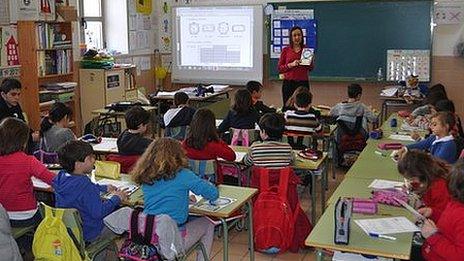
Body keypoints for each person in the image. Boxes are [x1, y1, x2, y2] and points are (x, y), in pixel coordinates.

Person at [131, 138, 219, 261]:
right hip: (172, 242)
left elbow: (163, 195)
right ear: (178, 155)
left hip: (148, 237)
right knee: (208, 222)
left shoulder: (146, 174)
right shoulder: (183, 174)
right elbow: (213, 194)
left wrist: (182, 197)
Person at [53, 140, 128, 243]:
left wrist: (103, 188)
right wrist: (117, 198)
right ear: (78, 163)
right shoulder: (84, 184)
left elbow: (78, 190)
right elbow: (99, 212)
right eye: (90, 158)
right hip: (92, 233)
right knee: (127, 213)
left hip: (71, 232)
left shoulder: (61, 177)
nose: (94, 160)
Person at [0, 117, 55, 227]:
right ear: (23, 141)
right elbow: (53, 179)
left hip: (3, 216)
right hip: (27, 214)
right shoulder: (28, 160)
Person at [418, 159, 464, 261]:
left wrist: (433, 237)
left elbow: (460, 256)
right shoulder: (455, 202)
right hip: (430, 251)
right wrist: (432, 212)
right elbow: (449, 222)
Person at [397, 150, 451, 223]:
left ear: (423, 175)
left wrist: (431, 212)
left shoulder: (440, 189)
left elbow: (446, 217)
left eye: (412, 181)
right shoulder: (429, 180)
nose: (410, 183)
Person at [278, 26, 314, 106]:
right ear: (291, 37)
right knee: (288, 107)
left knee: (303, 107)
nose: (297, 37)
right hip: (289, 83)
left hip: (303, 84)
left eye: (299, 35)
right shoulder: (286, 50)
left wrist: (310, 61)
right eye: (294, 35)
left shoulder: (306, 50)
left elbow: (310, 68)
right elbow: (280, 68)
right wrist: (291, 65)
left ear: (302, 36)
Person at [0, 78, 39, 152]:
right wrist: (30, 137)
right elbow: (7, 133)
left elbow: (22, 123)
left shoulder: (15, 104)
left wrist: (32, 132)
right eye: (13, 94)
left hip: (16, 140)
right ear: (3, 94)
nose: (17, 97)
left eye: (18, 94)